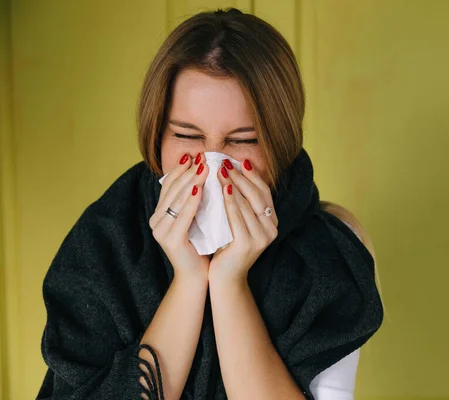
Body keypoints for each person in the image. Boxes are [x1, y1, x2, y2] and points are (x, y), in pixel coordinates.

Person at [36, 8, 384, 400]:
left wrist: (229, 282)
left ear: (281, 143)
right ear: (157, 137)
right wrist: (187, 280)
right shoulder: (104, 243)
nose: (213, 164)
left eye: (242, 141)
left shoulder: (332, 255)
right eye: (187, 135)